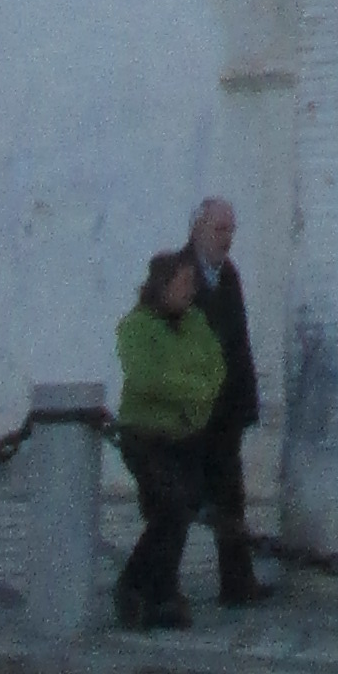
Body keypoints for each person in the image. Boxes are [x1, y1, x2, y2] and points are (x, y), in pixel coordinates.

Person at [111, 247, 223, 632]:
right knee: (170, 507)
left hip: (186, 433)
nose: (190, 291)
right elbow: (147, 377)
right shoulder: (136, 326)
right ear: (162, 285)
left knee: (177, 514)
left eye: (192, 284)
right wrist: (193, 388)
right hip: (146, 434)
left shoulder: (194, 323)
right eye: (183, 283)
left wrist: (198, 390)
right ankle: (137, 584)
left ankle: (159, 592)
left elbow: (215, 365)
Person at [185, 196, 263, 608]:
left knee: (231, 495)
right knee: (178, 498)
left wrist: (245, 402)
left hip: (224, 409)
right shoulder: (177, 272)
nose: (227, 238)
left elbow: (239, 345)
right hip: (190, 406)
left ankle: (237, 581)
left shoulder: (228, 275)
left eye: (231, 230)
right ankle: (155, 582)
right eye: (219, 229)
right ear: (198, 228)